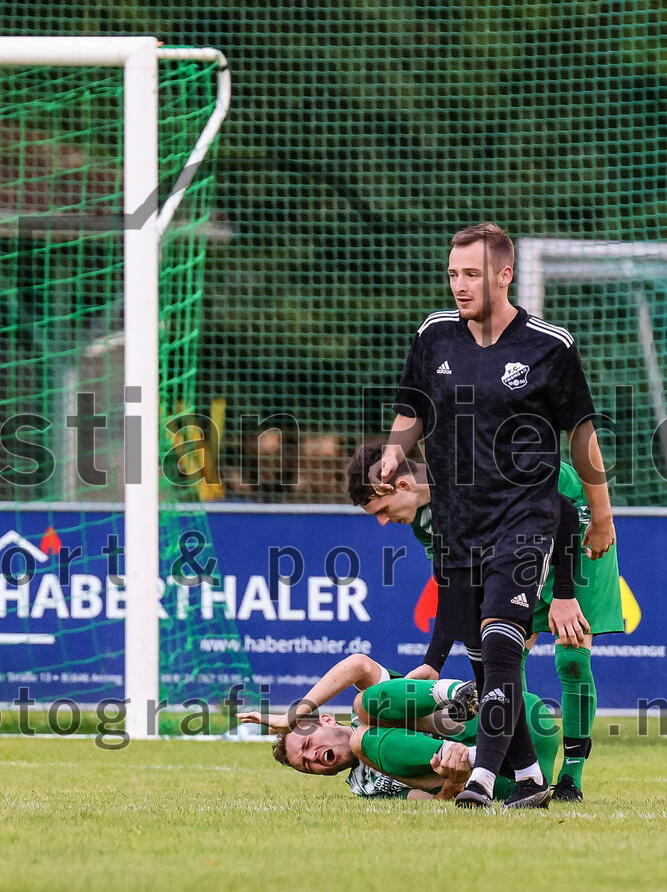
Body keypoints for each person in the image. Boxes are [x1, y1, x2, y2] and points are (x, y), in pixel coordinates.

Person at [371, 222, 615, 808]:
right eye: (452, 273)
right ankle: (530, 777)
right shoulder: (434, 336)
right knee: (485, 664)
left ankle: (482, 779)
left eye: (471, 274)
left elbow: (582, 437)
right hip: (461, 525)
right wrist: (393, 450)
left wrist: (601, 515)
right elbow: (413, 407)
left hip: (527, 517)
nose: (458, 284)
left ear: (504, 276)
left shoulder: (549, 346)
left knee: (502, 642)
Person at [348, 440, 624, 801]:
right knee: (503, 660)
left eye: (381, 510)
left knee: (571, 657)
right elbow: (454, 584)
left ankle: (571, 775)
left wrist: (564, 595)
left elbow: (565, 517)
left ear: (401, 485)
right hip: (518, 545)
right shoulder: (425, 523)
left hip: (571, 529)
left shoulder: (477, 474)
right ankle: (523, 770)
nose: (383, 522)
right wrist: (434, 663)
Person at [237, 653, 559, 806]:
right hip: (515, 776)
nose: (315, 758)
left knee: (363, 708)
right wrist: (452, 783)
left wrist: (293, 714)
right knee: (365, 739)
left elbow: (358, 665)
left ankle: (454, 693)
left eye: (307, 747)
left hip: (513, 713)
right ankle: (478, 757)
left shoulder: (372, 710)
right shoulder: (363, 787)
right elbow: (432, 803)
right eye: (307, 766)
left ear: (325, 720)